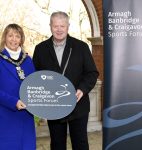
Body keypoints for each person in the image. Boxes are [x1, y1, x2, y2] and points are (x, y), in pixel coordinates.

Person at [33, 11, 99, 150]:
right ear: (50, 26)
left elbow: (92, 73)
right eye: (55, 26)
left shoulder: (81, 47)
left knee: (80, 143)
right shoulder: (40, 49)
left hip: (78, 104)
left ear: (68, 26)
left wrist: (82, 89)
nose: (59, 29)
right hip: (54, 106)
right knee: (57, 144)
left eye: (62, 26)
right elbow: (36, 78)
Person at [0, 24, 36, 150]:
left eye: (17, 36)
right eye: (10, 35)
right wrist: (14, 102)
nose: (13, 39)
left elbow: (35, 85)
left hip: (26, 116)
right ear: (5, 38)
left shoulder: (28, 60)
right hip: (6, 115)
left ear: (21, 39)